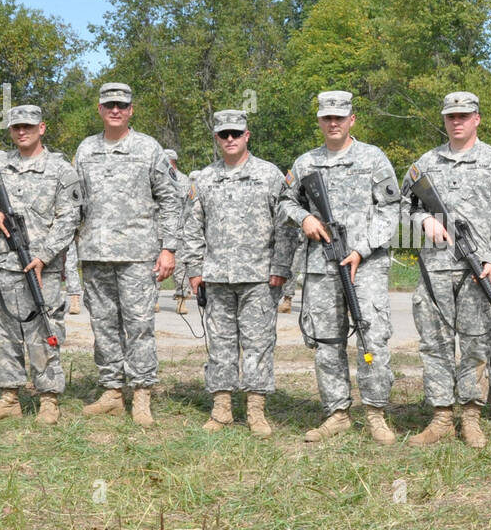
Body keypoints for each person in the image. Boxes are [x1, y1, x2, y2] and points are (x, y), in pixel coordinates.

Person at [278, 91, 400, 444]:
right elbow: (285, 202)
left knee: (371, 336)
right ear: (319, 120)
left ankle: (376, 413)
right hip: (321, 264)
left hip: (366, 265)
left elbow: (390, 208)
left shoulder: (373, 158)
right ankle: (337, 413)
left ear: (352, 120)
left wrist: (362, 249)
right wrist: (304, 219)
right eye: (326, 118)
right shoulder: (305, 164)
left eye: (339, 117)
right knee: (327, 341)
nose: (333, 123)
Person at [401, 91, 491, 448]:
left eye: (464, 116)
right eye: (451, 116)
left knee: (475, 342)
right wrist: (423, 220)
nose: (457, 121)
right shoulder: (426, 163)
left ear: (477, 118)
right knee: (435, 345)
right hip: (434, 269)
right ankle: (440, 417)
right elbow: (402, 206)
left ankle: (471, 417)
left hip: (477, 269)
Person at [72, 82, 181, 426]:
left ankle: (143, 393)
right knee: (103, 325)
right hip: (95, 254)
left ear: (131, 109)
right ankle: (112, 391)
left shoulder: (148, 148)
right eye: (109, 105)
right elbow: (75, 201)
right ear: (100, 109)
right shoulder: (86, 149)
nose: (115, 110)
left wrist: (169, 248)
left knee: (139, 326)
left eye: (122, 105)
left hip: (138, 254)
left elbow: (170, 199)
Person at [180, 110, 294, 436]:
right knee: (220, 344)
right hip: (216, 276)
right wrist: (194, 269)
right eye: (223, 134)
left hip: (260, 277)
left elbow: (286, 226)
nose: (230, 139)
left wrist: (281, 267)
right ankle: (221, 409)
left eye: (236, 133)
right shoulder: (203, 178)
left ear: (247, 136)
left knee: (258, 344)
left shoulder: (269, 175)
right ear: (216, 138)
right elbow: (192, 227)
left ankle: (256, 410)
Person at [0, 105, 81, 426]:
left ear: (42, 128)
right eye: (16, 127)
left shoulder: (62, 170)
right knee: (3, 331)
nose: (22, 132)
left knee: (44, 330)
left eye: (29, 126)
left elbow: (69, 218)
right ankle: (9, 397)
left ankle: (48, 398)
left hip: (41, 267)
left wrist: (45, 255)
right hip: (3, 263)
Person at [165, 148, 194, 315]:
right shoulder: (157, 178)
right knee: (151, 266)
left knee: (179, 266)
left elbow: (189, 208)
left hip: (177, 230)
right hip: (157, 229)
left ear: (171, 161)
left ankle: (182, 298)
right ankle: (153, 300)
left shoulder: (183, 181)